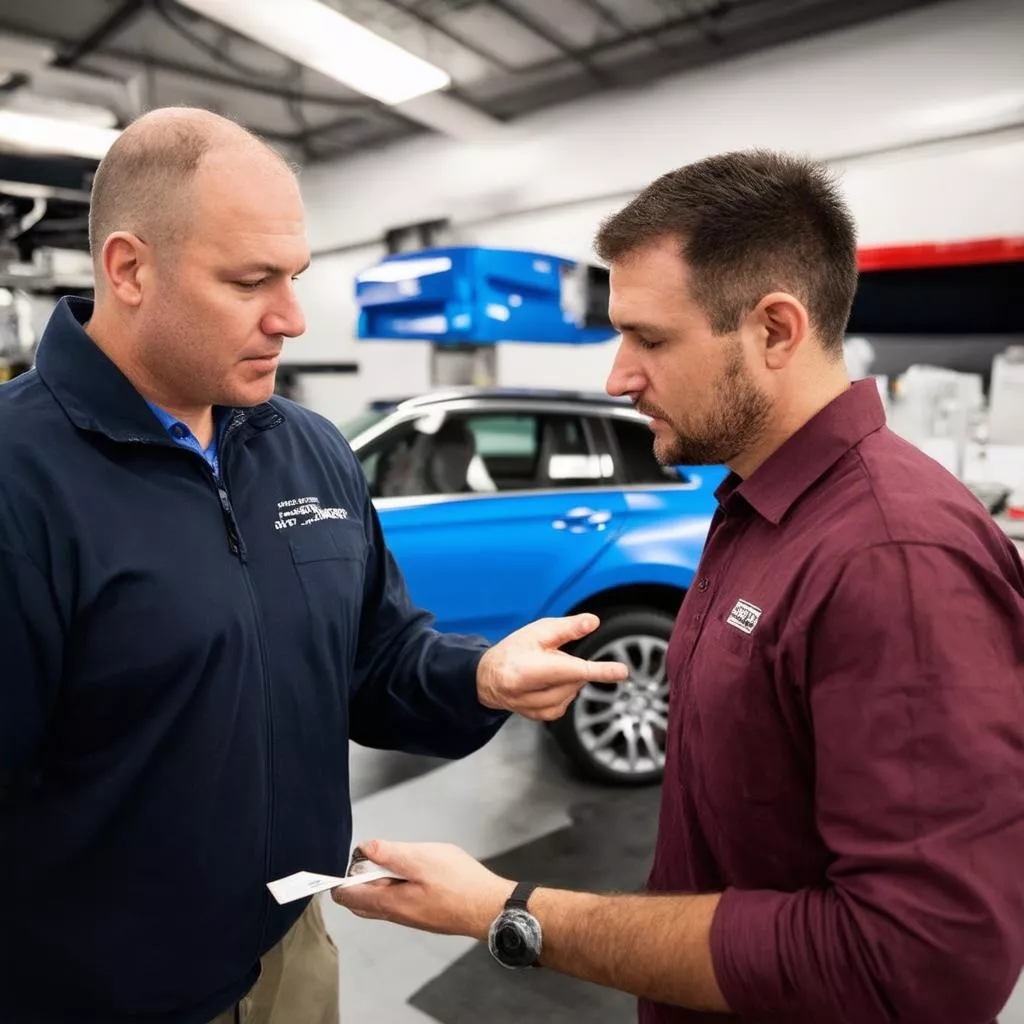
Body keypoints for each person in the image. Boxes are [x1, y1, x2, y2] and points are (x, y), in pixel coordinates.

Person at [332, 150, 1024, 1023]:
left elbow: (920, 962)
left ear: (775, 330)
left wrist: (509, 910)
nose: (618, 376)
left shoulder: (891, 557)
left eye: (651, 339)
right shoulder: (757, 508)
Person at [0, 107, 628, 1024]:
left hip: (291, 952)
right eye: (251, 281)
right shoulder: (20, 478)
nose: (291, 318)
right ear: (129, 269)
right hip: (95, 993)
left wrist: (481, 675)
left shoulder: (307, 449)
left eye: (293, 276)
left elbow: (375, 658)